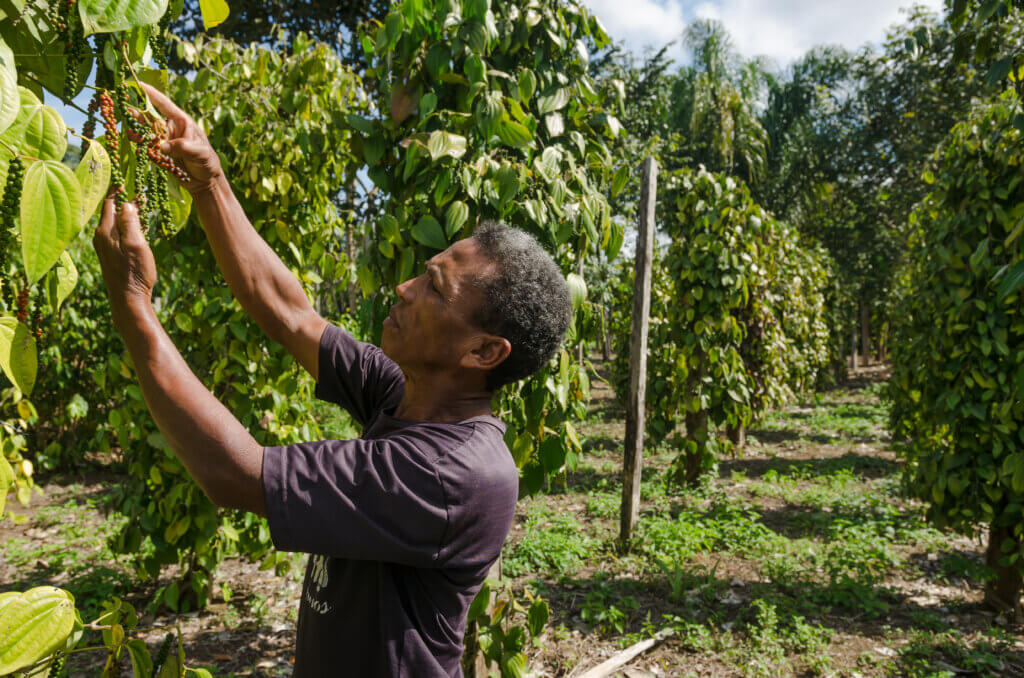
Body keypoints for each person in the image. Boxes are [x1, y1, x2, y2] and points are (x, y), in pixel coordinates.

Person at [91, 84, 572, 677]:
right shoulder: (408, 394)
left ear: (482, 351)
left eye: (434, 290)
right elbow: (289, 312)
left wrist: (133, 304)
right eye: (424, 274)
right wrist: (209, 181)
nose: (404, 290)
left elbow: (233, 474)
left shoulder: (454, 477)